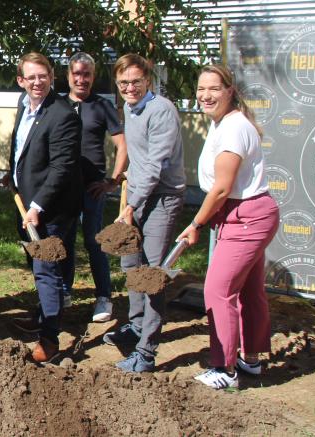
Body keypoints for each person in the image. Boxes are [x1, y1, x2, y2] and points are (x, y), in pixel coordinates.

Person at [179, 64, 279, 389]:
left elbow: (222, 188)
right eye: (201, 89)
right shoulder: (223, 122)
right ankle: (251, 360)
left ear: (229, 91)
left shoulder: (234, 127)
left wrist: (196, 222)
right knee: (249, 290)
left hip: (246, 217)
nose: (206, 95)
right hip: (245, 215)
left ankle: (225, 368)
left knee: (217, 290)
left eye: (214, 89)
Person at [102, 54, 186, 373]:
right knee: (130, 264)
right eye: (123, 83)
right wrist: (125, 179)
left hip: (162, 198)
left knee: (150, 275)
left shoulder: (161, 110)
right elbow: (139, 157)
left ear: (148, 80)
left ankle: (146, 353)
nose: (130, 87)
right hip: (137, 195)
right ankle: (136, 327)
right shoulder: (130, 108)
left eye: (136, 81)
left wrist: (130, 207)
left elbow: (154, 165)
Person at [2, 52, 82, 363]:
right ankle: (42, 315)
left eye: (42, 75)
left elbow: (63, 167)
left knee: (47, 271)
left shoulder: (62, 113)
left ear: (51, 77)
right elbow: (21, 148)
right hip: (28, 203)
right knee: (38, 268)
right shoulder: (25, 106)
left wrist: (36, 206)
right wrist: (13, 175)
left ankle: (49, 341)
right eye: (30, 77)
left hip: (51, 208)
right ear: (21, 81)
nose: (37, 82)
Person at [63, 52, 128, 322]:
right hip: (64, 188)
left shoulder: (102, 106)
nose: (81, 79)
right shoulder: (57, 105)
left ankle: (104, 296)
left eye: (86, 74)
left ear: (93, 76)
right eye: (76, 73)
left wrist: (112, 181)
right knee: (63, 241)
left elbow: (123, 145)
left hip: (93, 187)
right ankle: (64, 290)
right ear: (68, 76)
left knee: (94, 242)